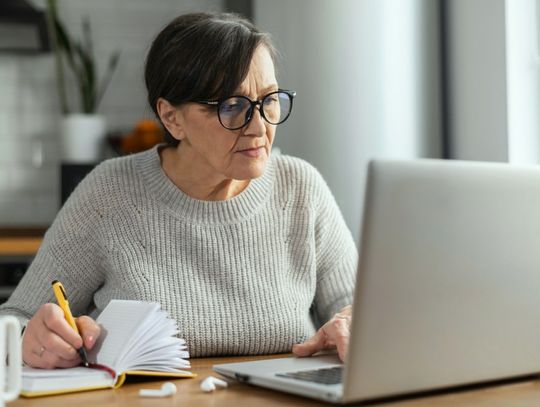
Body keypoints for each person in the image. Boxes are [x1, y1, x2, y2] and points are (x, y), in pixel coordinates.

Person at [0, 12, 357, 369]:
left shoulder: (301, 188)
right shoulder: (109, 195)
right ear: (172, 118)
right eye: (233, 106)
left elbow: (362, 308)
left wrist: (352, 322)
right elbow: (12, 320)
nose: (259, 127)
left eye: (269, 99)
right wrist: (29, 338)